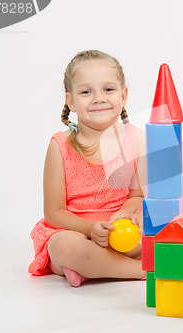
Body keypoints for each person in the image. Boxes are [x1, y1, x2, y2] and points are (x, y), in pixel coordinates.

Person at [28, 50, 146, 286]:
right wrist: (90, 229)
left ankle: (91, 268)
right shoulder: (59, 146)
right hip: (76, 232)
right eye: (86, 92)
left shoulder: (137, 140)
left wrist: (126, 213)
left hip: (117, 231)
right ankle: (137, 270)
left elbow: (137, 195)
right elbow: (54, 213)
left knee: (161, 231)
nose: (99, 98)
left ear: (123, 96)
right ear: (71, 101)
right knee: (63, 247)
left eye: (108, 89)